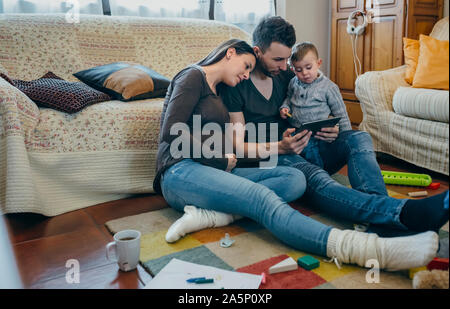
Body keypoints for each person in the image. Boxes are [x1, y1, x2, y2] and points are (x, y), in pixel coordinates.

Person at [155, 37, 441, 271]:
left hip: (219, 169)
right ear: (231, 53)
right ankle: (367, 248)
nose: (245, 74)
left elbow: (310, 78)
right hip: (181, 169)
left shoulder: (222, 87)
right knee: (263, 198)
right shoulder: (193, 76)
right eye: (245, 65)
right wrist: (226, 156)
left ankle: (213, 215)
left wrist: (327, 127)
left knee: (294, 180)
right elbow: (171, 133)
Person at [279, 41, 352, 168]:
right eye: (299, 70)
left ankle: (318, 173)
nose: (305, 73)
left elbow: (341, 114)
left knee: (312, 152)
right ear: (293, 69)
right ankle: (301, 170)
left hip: (317, 132)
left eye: (308, 67)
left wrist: (346, 137)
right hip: (296, 129)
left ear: (318, 63)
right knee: (291, 151)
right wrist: (284, 107)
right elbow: (289, 99)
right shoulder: (293, 83)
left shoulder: (329, 87)